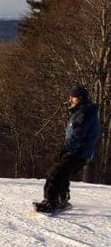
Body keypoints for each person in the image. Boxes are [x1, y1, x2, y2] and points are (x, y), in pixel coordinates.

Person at [36, 85, 101, 213]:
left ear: (80, 98)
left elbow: (77, 135)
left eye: (73, 97)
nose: (70, 100)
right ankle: (62, 199)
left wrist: (64, 149)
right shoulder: (82, 111)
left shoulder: (84, 114)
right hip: (79, 151)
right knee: (63, 172)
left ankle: (51, 202)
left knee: (55, 173)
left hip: (79, 152)